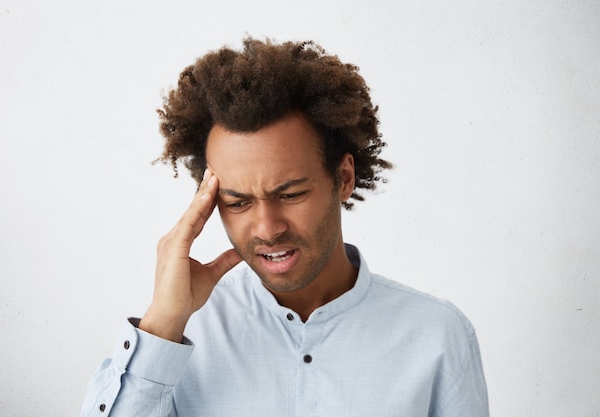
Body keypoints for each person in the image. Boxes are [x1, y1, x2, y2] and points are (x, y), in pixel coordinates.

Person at [81, 38, 489, 417]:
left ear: (343, 178)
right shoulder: (178, 336)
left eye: (291, 194)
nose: (267, 228)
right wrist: (163, 324)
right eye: (237, 202)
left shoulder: (437, 336)